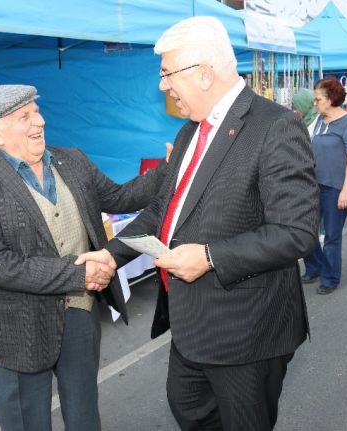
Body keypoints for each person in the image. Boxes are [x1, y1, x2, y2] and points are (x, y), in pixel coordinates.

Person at [77, 16, 319, 430]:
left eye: (167, 74)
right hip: (192, 326)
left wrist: (209, 256)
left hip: (247, 331)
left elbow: (296, 232)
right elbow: (162, 212)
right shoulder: (191, 132)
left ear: (204, 74)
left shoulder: (275, 126)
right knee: (189, 408)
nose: (162, 87)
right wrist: (110, 254)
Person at [0, 84, 166, 431]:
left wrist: (169, 168)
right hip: (17, 329)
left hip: (78, 316)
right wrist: (77, 275)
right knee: (27, 421)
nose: (40, 121)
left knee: (84, 414)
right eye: (25, 116)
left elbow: (123, 196)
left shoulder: (72, 161)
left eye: (36, 111)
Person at [301, 77, 347, 294]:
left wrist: (346, 190)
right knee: (306, 230)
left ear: (331, 99)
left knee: (332, 236)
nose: (314, 103)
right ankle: (314, 266)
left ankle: (330, 277)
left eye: (318, 99)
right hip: (312, 185)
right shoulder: (317, 120)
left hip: (335, 187)